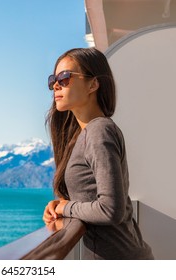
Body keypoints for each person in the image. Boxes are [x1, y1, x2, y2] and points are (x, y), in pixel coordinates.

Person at [43, 47, 154, 260]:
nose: (56, 85)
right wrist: (59, 204)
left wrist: (67, 208)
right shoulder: (83, 135)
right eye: (53, 80)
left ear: (93, 84)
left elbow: (111, 209)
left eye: (65, 77)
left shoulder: (99, 130)